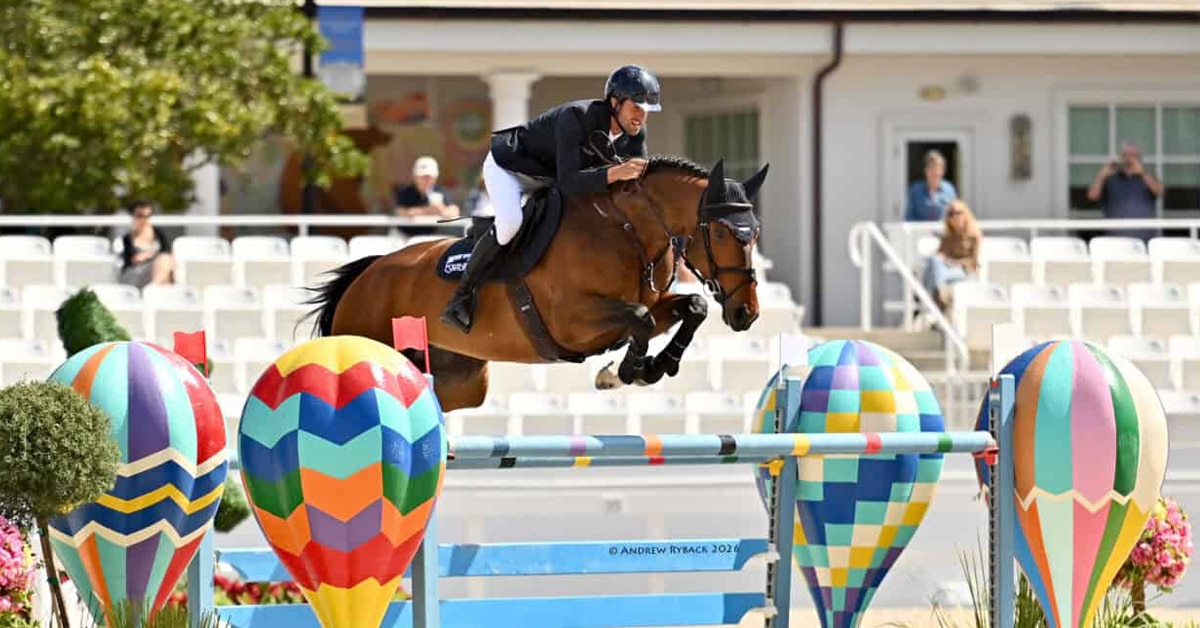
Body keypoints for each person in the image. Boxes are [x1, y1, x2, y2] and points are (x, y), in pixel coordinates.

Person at [440, 64, 662, 333]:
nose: (642, 115)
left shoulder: (634, 136)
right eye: (636, 107)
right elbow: (569, 181)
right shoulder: (576, 117)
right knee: (511, 222)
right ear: (615, 101)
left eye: (647, 110)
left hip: (548, 179)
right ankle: (461, 297)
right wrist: (615, 173)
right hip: (510, 168)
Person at [1086, 140, 1163, 240]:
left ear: (1139, 158)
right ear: (1120, 157)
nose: (1129, 159)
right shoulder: (1110, 178)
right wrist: (1101, 175)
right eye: (1126, 155)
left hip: (1145, 238)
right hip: (1115, 239)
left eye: (1133, 155)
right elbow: (1092, 196)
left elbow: (1160, 192)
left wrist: (1142, 172)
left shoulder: (1148, 176)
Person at [921, 199, 982, 316]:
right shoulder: (947, 236)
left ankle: (928, 300)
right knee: (934, 261)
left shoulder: (974, 235)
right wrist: (943, 259)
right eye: (950, 214)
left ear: (966, 214)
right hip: (946, 270)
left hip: (964, 271)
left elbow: (974, 262)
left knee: (935, 272)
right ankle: (939, 293)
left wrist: (954, 262)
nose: (954, 217)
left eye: (957, 213)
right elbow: (939, 257)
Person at [394, 156, 461, 237]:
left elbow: (454, 211)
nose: (426, 180)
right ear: (415, 177)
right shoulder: (406, 191)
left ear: (435, 177)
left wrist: (441, 210)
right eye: (422, 177)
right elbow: (400, 211)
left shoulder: (439, 191)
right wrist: (428, 210)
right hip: (404, 236)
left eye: (429, 177)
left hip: (429, 237)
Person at [117, 200, 175, 288]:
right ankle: (153, 289)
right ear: (133, 216)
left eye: (147, 216)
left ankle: (154, 288)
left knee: (166, 264)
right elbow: (128, 260)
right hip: (135, 271)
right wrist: (143, 256)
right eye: (140, 216)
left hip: (156, 269)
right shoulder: (127, 237)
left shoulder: (158, 234)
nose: (144, 219)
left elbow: (166, 252)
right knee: (164, 266)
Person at [905, 150, 958, 222]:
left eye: (938, 168)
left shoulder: (949, 190)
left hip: (942, 231)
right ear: (926, 170)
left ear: (943, 171)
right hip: (919, 232)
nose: (935, 172)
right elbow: (909, 217)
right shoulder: (914, 190)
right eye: (931, 168)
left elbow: (955, 216)